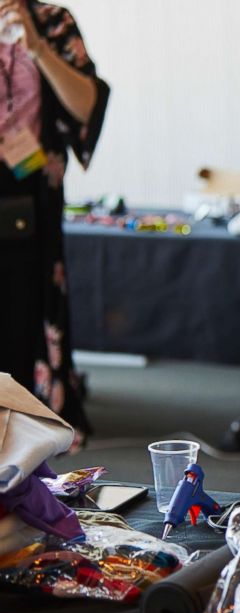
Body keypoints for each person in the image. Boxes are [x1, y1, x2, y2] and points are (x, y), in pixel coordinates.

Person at [0, 0, 109, 452]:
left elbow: (88, 107)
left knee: (29, 308)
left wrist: (38, 47)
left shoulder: (52, 21)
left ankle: (33, 424)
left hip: (33, 196)